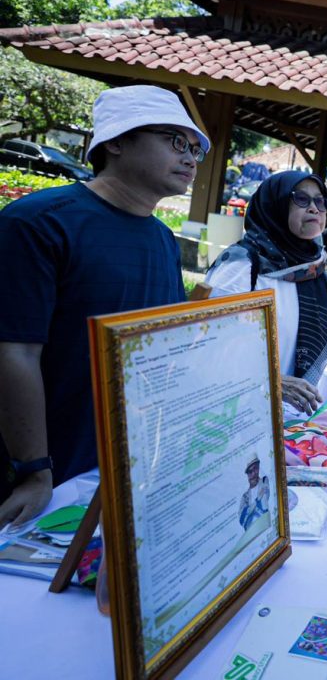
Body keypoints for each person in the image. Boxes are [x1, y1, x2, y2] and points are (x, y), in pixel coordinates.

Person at [0, 85, 210, 525]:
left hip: (118, 468)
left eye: (195, 149)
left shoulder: (162, 239)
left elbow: (166, 346)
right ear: (116, 141)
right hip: (36, 480)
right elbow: (14, 352)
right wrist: (34, 470)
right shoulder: (37, 223)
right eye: (176, 141)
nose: (190, 158)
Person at [206, 171, 327, 416]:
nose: (314, 209)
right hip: (237, 414)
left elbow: (315, 315)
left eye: (320, 201)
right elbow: (212, 346)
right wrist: (272, 381)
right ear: (274, 206)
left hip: (288, 416)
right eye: (301, 199)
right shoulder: (241, 266)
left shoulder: (312, 265)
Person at [238, 452, 271, 531]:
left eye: (255, 468)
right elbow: (241, 519)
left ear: (259, 468)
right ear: (247, 474)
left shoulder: (264, 481)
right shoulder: (245, 496)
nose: (253, 473)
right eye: (250, 471)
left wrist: (249, 510)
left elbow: (264, 502)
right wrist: (256, 503)